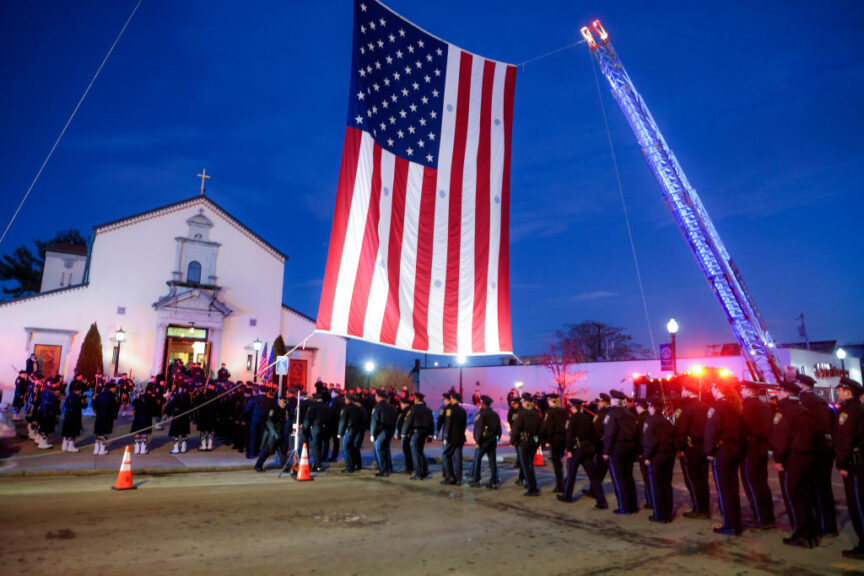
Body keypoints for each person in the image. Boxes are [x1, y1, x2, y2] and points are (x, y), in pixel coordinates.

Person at [770, 379, 818, 548]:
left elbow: (780, 438)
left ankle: (801, 534)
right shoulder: (804, 410)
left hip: (793, 458)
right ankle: (811, 533)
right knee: (806, 497)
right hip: (807, 457)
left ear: (787, 393)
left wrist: (778, 459)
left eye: (780, 390)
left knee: (794, 498)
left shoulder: (785, 411)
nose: (778, 393)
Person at [797, 372, 838, 538]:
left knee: (817, 489)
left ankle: (824, 525)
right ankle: (828, 524)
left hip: (816, 450)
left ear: (802, 385)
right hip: (825, 449)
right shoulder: (821, 401)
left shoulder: (807, 402)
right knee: (824, 488)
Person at [704, 381, 745, 535]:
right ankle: (736, 522)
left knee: (724, 490)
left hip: (722, 451)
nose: (711, 390)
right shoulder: (735, 407)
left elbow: (711, 431)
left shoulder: (717, 407)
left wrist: (709, 451)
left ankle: (729, 524)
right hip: (735, 449)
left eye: (713, 387)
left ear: (717, 389)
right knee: (733, 488)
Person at [834, 376, 864, 559]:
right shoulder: (856, 408)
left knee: (857, 506)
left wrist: (841, 463)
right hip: (857, 462)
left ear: (848, 391)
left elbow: (846, 440)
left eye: (840, 389)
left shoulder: (850, 411)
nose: (837, 392)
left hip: (854, 464)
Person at [740, 381, 776, 529]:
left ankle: (761, 517)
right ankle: (768, 516)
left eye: (743, 389)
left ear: (749, 391)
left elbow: (743, 428)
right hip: (762, 447)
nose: (741, 392)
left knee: (752, 483)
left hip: (750, 448)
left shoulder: (748, 407)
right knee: (762, 483)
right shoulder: (763, 406)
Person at [559, 399, 606, 508]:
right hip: (588, 448)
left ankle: (567, 496)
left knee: (571, 474)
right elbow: (594, 435)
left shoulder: (573, 419)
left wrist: (569, 450)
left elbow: (569, 435)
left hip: (577, 449)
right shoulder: (588, 419)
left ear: (573, 408)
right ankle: (601, 501)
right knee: (593, 476)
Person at [674, 385, 711, 519]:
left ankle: (699, 508)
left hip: (691, 448)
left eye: (683, 390)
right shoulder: (707, 407)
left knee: (693, 480)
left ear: (687, 392)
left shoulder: (686, 408)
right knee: (703, 479)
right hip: (704, 447)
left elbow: (681, 430)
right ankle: (705, 507)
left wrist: (680, 448)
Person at [604, 389, 639, 513]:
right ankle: (633, 505)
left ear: (614, 400)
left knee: (619, 479)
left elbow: (609, 434)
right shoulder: (630, 414)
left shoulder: (612, 415)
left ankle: (624, 506)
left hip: (617, 448)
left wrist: (606, 451)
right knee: (628, 477)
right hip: (629, 447)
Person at [642, 397, 675, 522]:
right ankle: (668, 514)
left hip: (656, 457)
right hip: (668, 456)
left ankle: (659, 515)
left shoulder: (650, 422)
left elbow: (649, 441)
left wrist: (647, 456)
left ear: (651, 406)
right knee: (667, 485)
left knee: (656, 486)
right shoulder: (667, 422)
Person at [511, 392, 542, 496]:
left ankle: (531, 488)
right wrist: (538, 442)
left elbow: (516, 429)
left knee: (525, 465)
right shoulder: (536, 414)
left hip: (524, 442)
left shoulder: (522, 414)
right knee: (530, 464)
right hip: (533, 441)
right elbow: (541, 430)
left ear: (524, 402)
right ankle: (532, 485)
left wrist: (512, 440)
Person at [470, 395, 502, 489]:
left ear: (483, 404)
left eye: (480, 403)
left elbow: (479, 429)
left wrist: (477, 441)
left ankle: (476, 480)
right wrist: (497, 438)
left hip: (483, 441)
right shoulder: (495, 414)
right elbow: (499, 429)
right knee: (492, 461)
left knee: (477, 459)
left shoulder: (481, 414)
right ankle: (494, 481)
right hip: (492, 440)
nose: (479, 404)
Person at [404, 393, 434, 480]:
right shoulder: (428, 410)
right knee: (420, 452)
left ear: (416, 399)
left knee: (415, 454)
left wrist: (404, 433)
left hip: (416, 433)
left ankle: (418, 474)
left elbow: (408, 421)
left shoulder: (413, 409)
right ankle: (424, 471)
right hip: (424, 433)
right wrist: (430, 435)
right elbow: (431, 424)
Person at [542, 394, 568, 494]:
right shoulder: (564, 412)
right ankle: (562, 483)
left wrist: (547, 440)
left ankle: (560, 485)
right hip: (563, 438)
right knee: (559, 461)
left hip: (555, 438)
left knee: (556, 463)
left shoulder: (550, 412)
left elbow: (549, 427)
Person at [255, 396, 288, 472]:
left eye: (286, 402)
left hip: (280, 433)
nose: (285, 404)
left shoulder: (284, 410)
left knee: (282, 451)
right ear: (279, 401)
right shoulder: (273, 410)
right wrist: (274, 433)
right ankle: (258, 465)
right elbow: (269, 422)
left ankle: (285, 466)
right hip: (272, 434)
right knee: (267, 451)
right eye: (284, 402)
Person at [441, 391, 467, 485]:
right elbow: (464, 425)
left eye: (451, 398)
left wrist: (445, 437)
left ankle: (449, 477)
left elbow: (448, 424)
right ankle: (459, 479)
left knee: (446, 456)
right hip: (460, 437)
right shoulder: (463, 411)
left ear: (453, 398)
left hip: (452, 438)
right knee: (458, 458)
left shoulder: (449, 410)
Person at [370, 388, 397, 477]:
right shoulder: (392, 406)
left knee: (379, 449)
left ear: (377, 396)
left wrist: (372, 434)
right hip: (390, 430)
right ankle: (389, 468)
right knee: (386, 449)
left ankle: (383, 469)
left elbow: (374, 421)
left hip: (381, 431)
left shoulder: (377, 407)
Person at [634, 399, 653, 511]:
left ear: (639, 406)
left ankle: (650, 501)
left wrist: (640, 453)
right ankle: (652, 500)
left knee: (647, 477)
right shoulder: (650, 416)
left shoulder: (640, 419)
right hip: (652, 452)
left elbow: (640, 438)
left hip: (644, 452)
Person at [92, 381, 119, 455]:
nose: (115, 390)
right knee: (105, 433)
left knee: (99, 433)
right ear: (112, 388)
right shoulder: (113, 396)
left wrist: (96, 410)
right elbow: (115, 407)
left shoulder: (100, 394)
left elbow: (94, 404)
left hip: (99, 415)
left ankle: (96, 449)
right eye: (114, 388)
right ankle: (102, 450)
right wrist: (114, 416)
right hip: (108, 416)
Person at [166, 383, 192, 454]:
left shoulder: (177, 396)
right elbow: (190, 406)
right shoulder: (188, 397)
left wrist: (167, 411)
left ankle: (176, 448)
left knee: (176, 433)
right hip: (185, 416)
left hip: (177, 415)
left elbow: (170, 405)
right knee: (184, 433)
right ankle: (184, 448)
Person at [131, 384, 156, 454]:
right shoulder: (152, 398)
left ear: (146, 390)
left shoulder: (139, 397)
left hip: (138, 416)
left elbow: (133, 405)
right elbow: (154, 409)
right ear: (151, 391)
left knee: (137, 432)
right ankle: (142, 449)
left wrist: (135, 412)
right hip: (147, 417)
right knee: (144, 433)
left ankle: (136, 449)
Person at [195, 380, 219, 451]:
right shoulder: (214, 394)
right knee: (210, 430)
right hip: (212, 415)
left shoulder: (203, 393)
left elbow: (197, 402)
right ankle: (209, 445)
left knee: (203, 430)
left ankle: (204, 445)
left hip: (203, 415)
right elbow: (217, 405)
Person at [60, 384, 84, 452]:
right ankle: (70, 446)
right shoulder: (77, 397)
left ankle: (64, 446)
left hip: (68, 414)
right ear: (79, 390)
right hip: (75, 415)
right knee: (73, 431)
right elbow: (81, 406)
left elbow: (65, 404)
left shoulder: (69, 396)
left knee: (67, 430)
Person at [395, 396, 414, 474]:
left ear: (404, 404)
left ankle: (409, 468)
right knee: (407, 452)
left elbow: (404, 423)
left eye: (401, 404)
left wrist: (401, 433)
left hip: (406, 435)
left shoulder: (408, 411)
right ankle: (409, 467)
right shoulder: (405, 411)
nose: (400, 405)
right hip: (405, 434)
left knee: (407, 452)